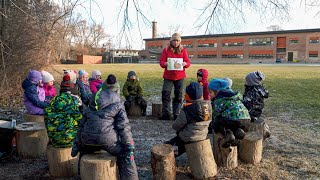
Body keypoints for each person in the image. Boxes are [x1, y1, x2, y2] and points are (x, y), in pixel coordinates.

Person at [71, 74, 138, 180]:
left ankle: (81, 175)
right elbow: (123, 127)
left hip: (87, 139)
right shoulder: (118, 105)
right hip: (107, 140)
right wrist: (129, 145)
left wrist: (77, 142)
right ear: (116, 91)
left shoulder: (92, 102)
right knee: (125, 155)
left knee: (83, 153)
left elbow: (82, 124)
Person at [165, 82, 212, 157]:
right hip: (203, 134)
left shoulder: (187, 109)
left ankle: (170, 155)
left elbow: (176, 126)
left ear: (187, 96)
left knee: (175, 143)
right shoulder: (208, 105)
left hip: (189, 137)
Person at [208, 78, 251, 148]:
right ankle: (238, 131)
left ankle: (228, 135)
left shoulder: (218, 100)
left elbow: (216, 115)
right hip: (246, 120)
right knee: (231, 121)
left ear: (217, 92)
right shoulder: (234, 96)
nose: (209, 95)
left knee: (216, 122)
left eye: (210, 92)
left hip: (234, 120)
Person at [44, 75, 82, 148]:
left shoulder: (53, 100)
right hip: (70, 139)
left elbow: (46, 118)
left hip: (54, 139)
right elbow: (79, 118)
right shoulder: (73, 100)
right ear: (71, 89)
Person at [160, 32, 191, 120]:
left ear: (179, 41)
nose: (176, 42)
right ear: (171, 41)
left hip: (180, 77)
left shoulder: (183, 50)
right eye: (174, 40)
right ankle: (166, 113)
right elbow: (161, 62)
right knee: (165, 94)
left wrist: (185, 64)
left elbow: (188, 63)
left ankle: (176, 114)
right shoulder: (166, 50)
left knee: (178, 95)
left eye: (177, 41)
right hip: (168, 76)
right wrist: (165, 63)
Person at [242, 71, 270, 139]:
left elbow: (246, 105)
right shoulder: (260, 88)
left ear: (251, 82)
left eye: (247, 81)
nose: (246, 82)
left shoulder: (250, 92)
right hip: (258, 111)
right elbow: (266, 94)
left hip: (251, 114)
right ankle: (265, 129)